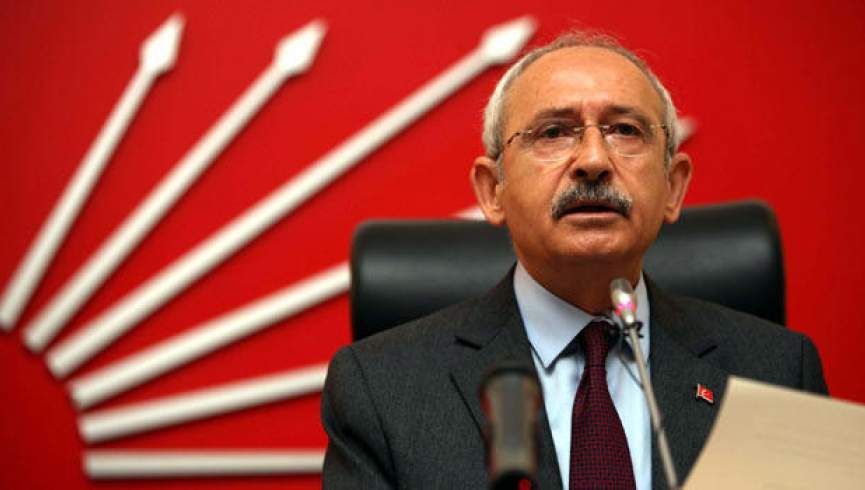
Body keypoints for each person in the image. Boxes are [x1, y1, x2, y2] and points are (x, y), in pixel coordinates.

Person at [320, 31, 827, 490]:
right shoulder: (381, 389)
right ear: (493, 191)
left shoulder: (778, 371)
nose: (593, 160)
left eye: (625, 130)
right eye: (553, 133)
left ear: (673, 188)